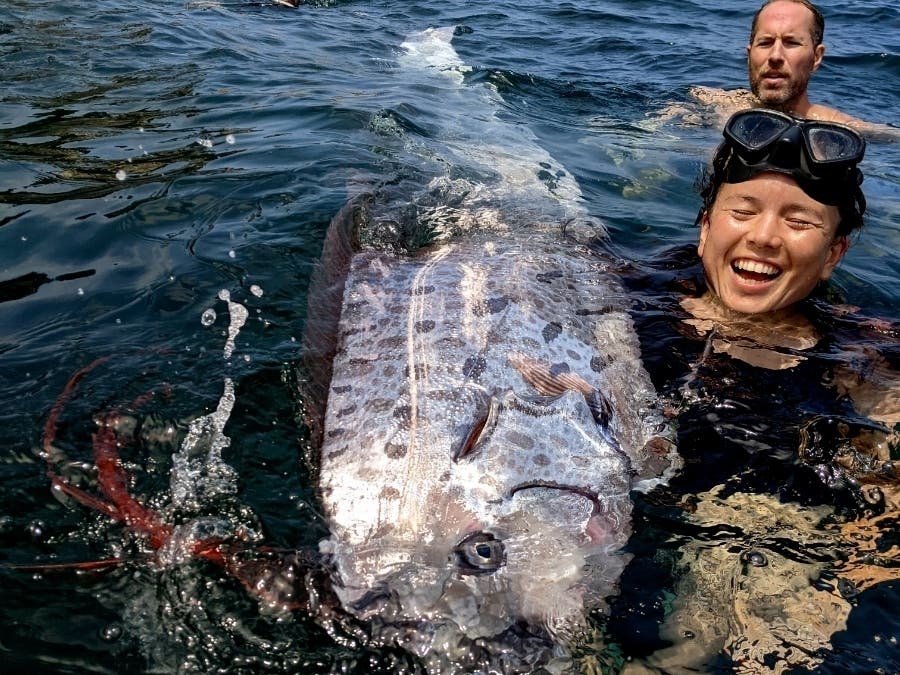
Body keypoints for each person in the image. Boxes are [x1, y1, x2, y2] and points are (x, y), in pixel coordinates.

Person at [687, 0, 895, 134]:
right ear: (749, 55)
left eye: (791, 43)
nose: (775, 56)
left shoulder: (838, 129)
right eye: (765, 42)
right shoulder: (709, 101)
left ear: (816, 57)